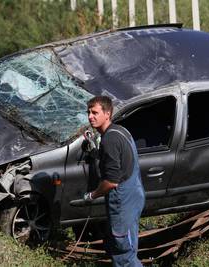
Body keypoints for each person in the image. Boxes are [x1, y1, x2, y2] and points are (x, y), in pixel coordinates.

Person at [83, 96, 145, 267]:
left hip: (122, 203)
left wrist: (92, 195)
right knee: (118, 245)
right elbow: (118, 159)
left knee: (124, 255)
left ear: (107, 113)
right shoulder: (120, 131)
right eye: (88, 112)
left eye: (95, 112)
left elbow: (111, 182)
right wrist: (95, 151)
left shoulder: (109, 140)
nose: (90, 116)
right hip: (133, 196)